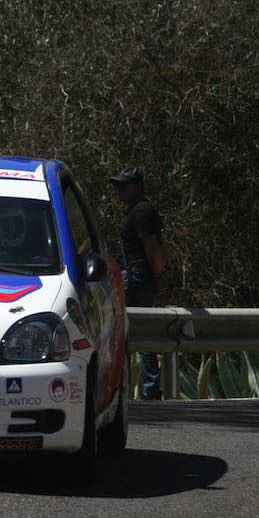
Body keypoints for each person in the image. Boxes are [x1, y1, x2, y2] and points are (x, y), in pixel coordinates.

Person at [110, 166, 165, 400]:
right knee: (137, 333)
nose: (119, 191)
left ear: (137, 186)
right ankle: (146, 389)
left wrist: (156, 272)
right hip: (135, 275)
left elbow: (150, 244)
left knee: (131, 333)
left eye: (124, 186)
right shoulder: (135, 211)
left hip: (137, 276)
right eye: (117, 187)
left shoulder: (142, 210)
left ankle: (146, 389)